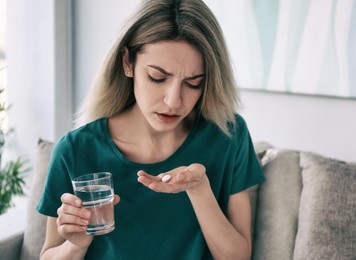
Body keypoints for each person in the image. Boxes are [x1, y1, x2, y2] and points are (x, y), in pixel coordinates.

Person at [37, 0, 265, 259]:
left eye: (193, 83)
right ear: (127, 62)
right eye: (158, 77)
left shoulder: (228, 136)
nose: (174, 102)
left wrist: (199, 189)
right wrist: (76, 244)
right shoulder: (76, 150)